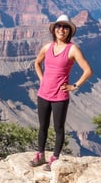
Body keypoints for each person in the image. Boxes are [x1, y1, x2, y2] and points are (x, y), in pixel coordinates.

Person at [30, 14, 93, 171]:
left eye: (65, 27)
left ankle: (54, 159)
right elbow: (37, 63)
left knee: (58, 128)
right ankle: (40, 155)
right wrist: (42, 79)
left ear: (69, 31)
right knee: (42, 126)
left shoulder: (72, 49)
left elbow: (88, 70)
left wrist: (74, 85)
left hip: (60, 96)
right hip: (43, 93)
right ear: (54, 29)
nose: (62, 29)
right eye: (59, 26)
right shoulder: (47, 47)